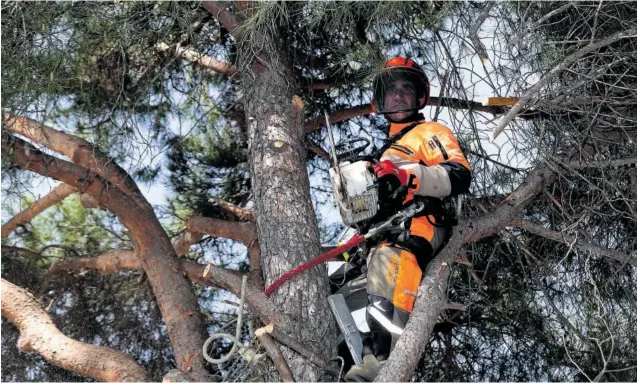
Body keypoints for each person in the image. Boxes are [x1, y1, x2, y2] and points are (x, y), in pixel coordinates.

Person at [342, 57, 472, 381]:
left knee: (384, 305)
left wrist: (405, 177)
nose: (399, 95)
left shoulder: (428, 132)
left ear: (419, 98)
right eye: (392, 90)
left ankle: (379, 368)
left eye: (406, 89)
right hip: (374, 246)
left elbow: (458, 174)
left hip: (409, 236)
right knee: (334, 292)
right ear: (380, 101)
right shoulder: (386, 150)